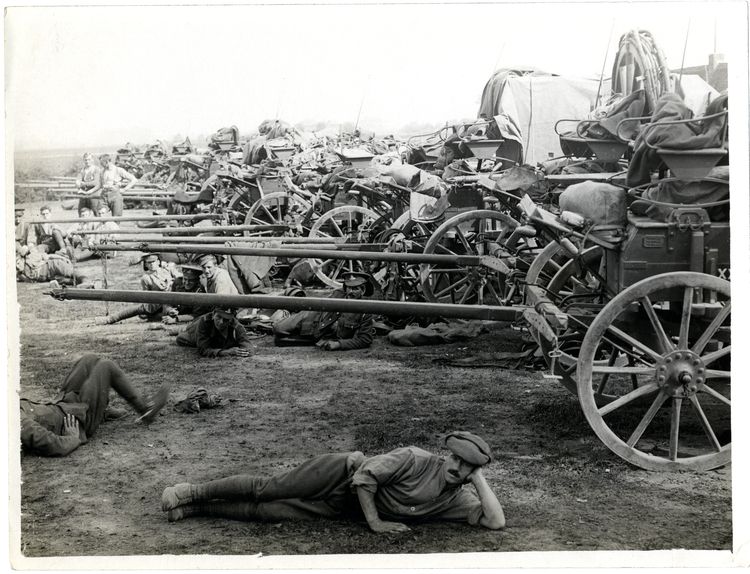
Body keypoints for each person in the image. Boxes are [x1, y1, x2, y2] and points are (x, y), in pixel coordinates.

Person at [161, 431, 505, 531]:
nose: (456, 468)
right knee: (268, 489)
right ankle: (190, 492)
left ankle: (196, 510)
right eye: (455, 458)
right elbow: (365, 478)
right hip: (341, 474)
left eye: (466, 468)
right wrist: (376, 523)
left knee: (267, 513)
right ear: (447, 453)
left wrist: (479, 481)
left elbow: (495, 521)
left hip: (344, 507)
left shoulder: (455, 497)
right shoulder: (415, 459)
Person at [21, 354, 170, 456]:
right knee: (106, 367)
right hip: (79, 419)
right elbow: (52, 444)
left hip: (64, 405)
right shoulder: (15, 422)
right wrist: (72, 438)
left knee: (89, 360)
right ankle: (146, 409)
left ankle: (102, 412)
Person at [273, 274, 375, 351]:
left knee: (280, 341)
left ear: (362, 290)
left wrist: (339, 344)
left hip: (323, 336)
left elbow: (365, 339)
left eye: (355, 289)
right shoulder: (338, 294)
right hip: (313, 318)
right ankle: (284, 317)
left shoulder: (365, 312)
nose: (350, 292)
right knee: (278, 328)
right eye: (349, 287)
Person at [96, 253, 175, 324]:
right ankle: (109, 319)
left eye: (153, 261)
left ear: (158, 262)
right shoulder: (146, 278)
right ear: (146, 265)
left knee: (167, 312)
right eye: (149, 263)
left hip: (174, 299)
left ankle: (156, 317)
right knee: (134, 310)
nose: (151, 264)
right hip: (157, 304)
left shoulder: (168, 269)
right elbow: (147, 298)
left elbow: (180, 279)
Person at [175, 307, 252, 358]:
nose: (221, 322)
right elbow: (203, 349)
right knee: (181, 338)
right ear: (213, 314)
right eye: (218, 317)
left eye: (226, 319)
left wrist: (242, 351)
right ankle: (175, 330)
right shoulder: (205, 322)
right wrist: (225, 352)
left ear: (231, 319)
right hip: (195, 330)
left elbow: (248, 347)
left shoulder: (236, 326)